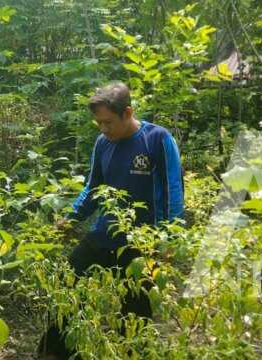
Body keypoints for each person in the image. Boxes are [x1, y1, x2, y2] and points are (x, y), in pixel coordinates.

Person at [38, 81, 184, 359]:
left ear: (127, 113)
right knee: (66, 283)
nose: (103, 129)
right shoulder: (103, 143)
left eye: (108, 122)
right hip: (106, 233)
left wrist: (167, 242)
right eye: (98, 124)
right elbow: (93, 188)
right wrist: (70, 219)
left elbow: (172, 192)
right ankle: (56, 352)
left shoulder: (157, 140)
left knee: (136, 311)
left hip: (142, 243)